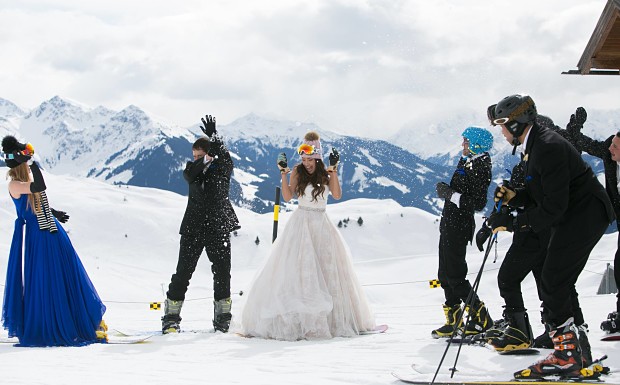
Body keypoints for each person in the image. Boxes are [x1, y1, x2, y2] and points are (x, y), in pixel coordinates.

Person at [487, 94, 614, 380]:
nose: (501, 132)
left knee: (553, 279)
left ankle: (566, 356)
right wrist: (514, 198)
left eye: (502, 125)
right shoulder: (536, 144)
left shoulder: (546, 147)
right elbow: (542, 192)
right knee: (558, 279)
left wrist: (513, 223)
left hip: (584, 215)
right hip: (581, 213)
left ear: (516, 124)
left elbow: (554, 208)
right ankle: (577, 350)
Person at [241, 131, 375, 341]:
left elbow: (337, 195)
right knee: (300, 271)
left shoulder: (326, 174)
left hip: (321, 224)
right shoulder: (297, 172)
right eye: (303, 159)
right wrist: (284, 174)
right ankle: (301, 319)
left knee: (325, 270)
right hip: (301, 224)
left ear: (318, 157)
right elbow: (287, 196)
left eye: (310, 159)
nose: (307, 163)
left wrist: (334, 171)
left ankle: (328, 321)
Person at [477, 113, 589, 352]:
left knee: (509, 278)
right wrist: (513, 196)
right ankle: (564, 330)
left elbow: (542, 201)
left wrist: (507, 219)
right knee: (550, 283)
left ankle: (521, 331)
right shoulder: (542, 155)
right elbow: (534, 195)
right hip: (544, 231)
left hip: (534, 232)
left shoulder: (543, 154)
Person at [1, 135, 107, 347]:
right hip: (39, 236)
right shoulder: (15, 184)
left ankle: (83, 322)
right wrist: (33, 164)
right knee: (47, 278)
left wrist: (53, 213)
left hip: (49, 232)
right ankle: (61, 323)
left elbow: (35, 203)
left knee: (66, 275)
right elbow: (39, 187)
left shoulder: (24, 182)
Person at [161, 115, 240, 334]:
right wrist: (203, 161)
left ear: (210, 153)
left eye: (200, 155)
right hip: (193, 228)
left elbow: (225, 159)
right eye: (194, 156)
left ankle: (223, 317)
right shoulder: (192, 170)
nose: (195, 159)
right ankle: (171, 317)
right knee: (183, 273)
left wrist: (215, 138)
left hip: (218, 226)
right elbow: (190, 174)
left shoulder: (222, 168)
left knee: (223, 272)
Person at [431, 126, 494, 339]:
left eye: (466, 141)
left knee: (455, 273)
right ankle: (454, 319)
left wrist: (449, 194)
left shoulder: (481, 165)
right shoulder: (468, 160)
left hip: (459, 225)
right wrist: (449, 194)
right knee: (444, 273)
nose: (463, 145)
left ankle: (481, 315)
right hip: (450, 222)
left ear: (476, 144)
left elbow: (477, 202)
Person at [562, 108, 620, 335]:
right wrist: (575, 129)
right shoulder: (609, 154)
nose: (610, 149)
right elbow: (583, 143)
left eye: (616, 146)